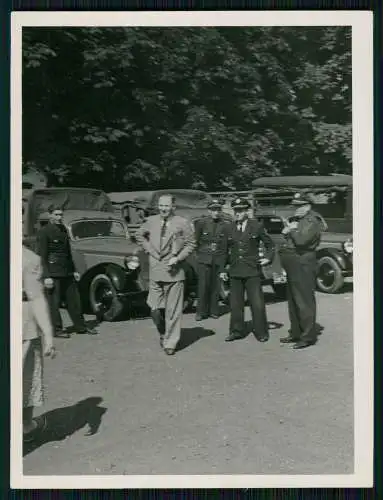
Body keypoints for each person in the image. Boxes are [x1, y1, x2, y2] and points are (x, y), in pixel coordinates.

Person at [135, 194, 196, 355]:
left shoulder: (182, 223)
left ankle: (170, 343)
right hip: (155, 270)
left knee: (173, 310)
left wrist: (178, 257)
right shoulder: (151, 221)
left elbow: (191, 243)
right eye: (161, 206)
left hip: (174, 272)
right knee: (154, 308)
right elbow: (139, 235)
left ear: (173, 207)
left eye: (166, 206)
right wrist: (149, 250)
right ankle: (163, 331)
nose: (163, 209)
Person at [37, 204, 97, 337]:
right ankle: (56, 330)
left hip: (67, 271)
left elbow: (67, 252)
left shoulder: (63, 229)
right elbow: (42, 255)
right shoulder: (44, 231)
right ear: (50, 215)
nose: (59, 217)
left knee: (74, 300)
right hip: (53, 272)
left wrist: (74, 270)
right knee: (54, 303)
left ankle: (80, 326)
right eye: (56, 215)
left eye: (61, 215)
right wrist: (46, 276)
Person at [220, 197, 275, 343]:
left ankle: (261, 332)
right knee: (236, 304)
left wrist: (268, 258)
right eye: (235, 210)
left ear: (247, 211)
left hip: (252, 271)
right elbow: (223, 251)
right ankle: (236, 331)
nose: (237, 213)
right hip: (235, 271)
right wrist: (222, 270)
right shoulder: (228, 228)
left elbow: (270, 245)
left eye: (240, 210)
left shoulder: (256, 226)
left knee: (257, 303)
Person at [279, 192, 326, 349]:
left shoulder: (312, 220)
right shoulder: (300, 219)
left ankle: (308, 336)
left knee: (304, 300)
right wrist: (289, 230)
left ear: (308, 206)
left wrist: (290, 230)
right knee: (293, 300)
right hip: (294, 262)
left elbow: (301, 240)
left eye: (299, 206)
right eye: (295, 206)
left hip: (304, 262)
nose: (296, 209)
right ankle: (296, 332)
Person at [22, 245, 56, 442]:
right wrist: (49, 335)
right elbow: (36, 297)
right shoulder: (28, 258)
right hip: (21, 322)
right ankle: (25, 426)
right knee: (26, 375)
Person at [194, 199, 229, 320]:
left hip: (218, 258)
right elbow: (196, 241)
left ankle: (214, 310)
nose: (216, 212)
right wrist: (200, 255)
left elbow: (225, 245)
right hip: (204, 258)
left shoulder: (225, 225)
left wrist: (223, 262)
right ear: (209, 211)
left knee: (216, 286)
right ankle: (201, 312)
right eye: (214, 210)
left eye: (218, 210)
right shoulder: (201, 223)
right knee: (203, 286)